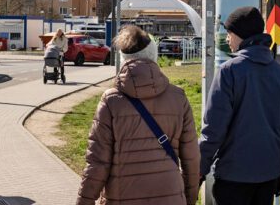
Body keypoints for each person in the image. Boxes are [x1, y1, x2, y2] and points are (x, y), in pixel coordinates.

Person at [76, 25, 200, 205]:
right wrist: (190, 197)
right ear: (154, 55)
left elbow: (97, 163)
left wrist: (84, 201)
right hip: (170, 195)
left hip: (122, 196)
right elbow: (191, 157)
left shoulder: (111, 101)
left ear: (123, 58)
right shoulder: (178, 97)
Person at [199, 6, 280, 205]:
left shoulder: (229, 72)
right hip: (268, 175)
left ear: (241, 35)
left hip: (233, 176)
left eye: (229, 33)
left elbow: (213, 130)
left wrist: (198, 171)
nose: (227, 39)